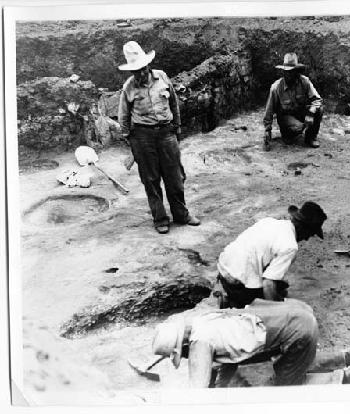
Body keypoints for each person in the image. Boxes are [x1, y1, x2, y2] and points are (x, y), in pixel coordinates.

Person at [151, 298, 350, 387]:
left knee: (284, 388)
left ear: (182, 347)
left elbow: (198, 400)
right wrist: (220, 387)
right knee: (288, 363)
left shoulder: (199, 344)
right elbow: (228, 360)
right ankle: (349, 356)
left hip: (296, 332)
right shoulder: (205, 320)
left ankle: (348, 377)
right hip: (294, 314)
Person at [117, 41, 200, 234]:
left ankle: (181, 214)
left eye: (142, 68)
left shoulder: (162, 77)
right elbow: (123, 117)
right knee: (151, 180)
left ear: (148, 65)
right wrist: (132, 142)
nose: (140, 73)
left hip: (166, 133)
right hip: (143, 137)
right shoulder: (128, 87)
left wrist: (176, 128)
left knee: (175, 177)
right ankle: (160, 218)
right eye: (135, 70)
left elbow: (173, 102)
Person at [214, 201, 327, 308]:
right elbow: (268, 285)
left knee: (279, 285)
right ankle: (236, 303)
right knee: (277, 296)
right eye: (310, 234)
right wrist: (275, 311)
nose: (307, 239)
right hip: (237, 283)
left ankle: (233, 296)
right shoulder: (290, 246)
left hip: (223, 270)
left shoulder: (269, 221)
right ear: (304, 228)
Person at [263, 52, 324, 151]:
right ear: (283, 72)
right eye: (286, 71)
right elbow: (269, 111)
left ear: (297, 71)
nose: (289, 74)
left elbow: (318, 100)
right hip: (285, 117)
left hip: (301, 112)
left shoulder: (305, 81)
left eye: (292, 71)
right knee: (297, 128)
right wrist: (267, 130)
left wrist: (311, 112)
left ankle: (310, 138)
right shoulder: (276, 87)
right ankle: (288, 135)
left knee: (319, 109)